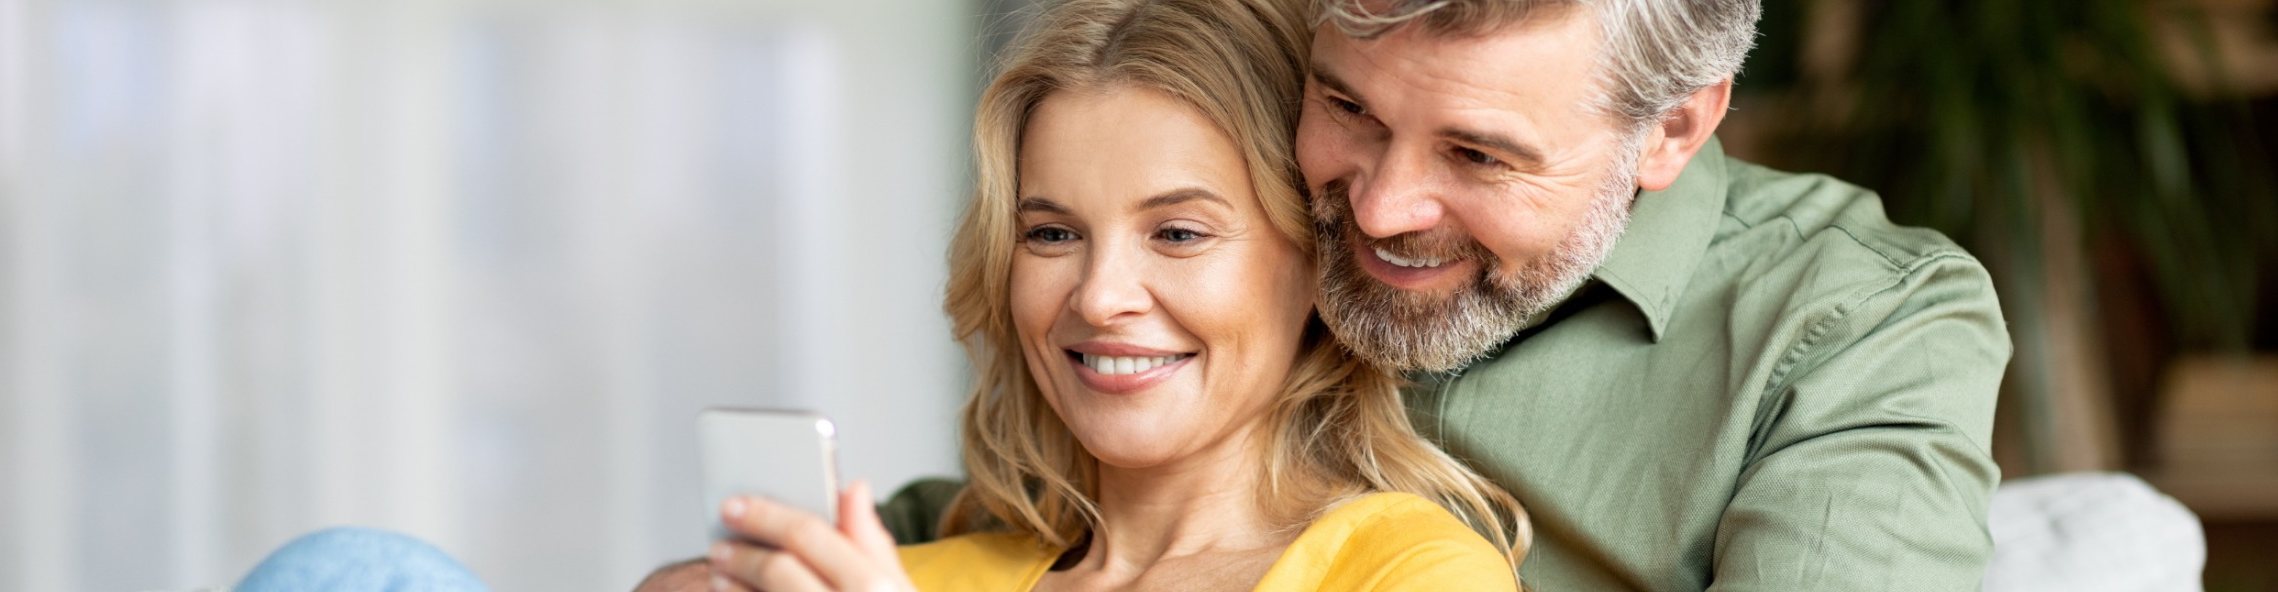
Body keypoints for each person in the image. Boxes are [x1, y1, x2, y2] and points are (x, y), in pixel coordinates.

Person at [654, 0, 2010, 590]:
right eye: (1347, 109)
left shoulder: (1847, 328)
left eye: (1477, 155)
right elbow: (1023, 517)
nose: (1373, 209)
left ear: (1674, 130)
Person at [689, 0, 1530, 590]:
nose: (1099, 298)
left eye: (1178, 233)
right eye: (1052, 234)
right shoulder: (911, 577)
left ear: (1317, 259)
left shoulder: (1413, 576)